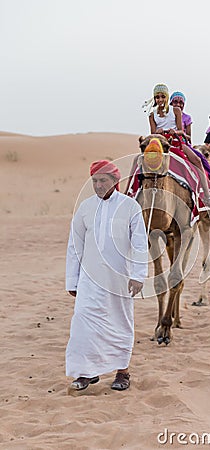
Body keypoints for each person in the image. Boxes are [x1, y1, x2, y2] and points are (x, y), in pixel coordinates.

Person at [65, 160, 148, 392]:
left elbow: (140, 244)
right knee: (83, 321)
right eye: (94, 181)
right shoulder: (85, 207)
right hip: (89, 278)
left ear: (115, 181)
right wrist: (72, 280)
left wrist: (139, 275)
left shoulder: (130, 207)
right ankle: (85, 373)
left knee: (119, 323)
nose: (98, 185)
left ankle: (122, 371)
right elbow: (75, 245)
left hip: (119, 278)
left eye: (103, 180)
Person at [143, 84, 210, 207]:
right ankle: (133, 192)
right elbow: (152, 134)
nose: (160, 100)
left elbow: (182, 131)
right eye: (157, 97)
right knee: (140, 162)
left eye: (162, 97)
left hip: (177, 142)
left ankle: (207, 195)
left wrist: (174, 131)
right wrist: (158, 132)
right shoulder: (152, 115)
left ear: (167, 98)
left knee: (197, 160)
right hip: (161, 144)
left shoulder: (176, 111)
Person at [170, 91, 210, 192]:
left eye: (181, 103)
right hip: (166, 143)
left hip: (181, 143)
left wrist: (179, 134)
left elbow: (188, 136)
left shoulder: (187, 118)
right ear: (171, 103)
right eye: (175, 102)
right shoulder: (166, 115)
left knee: (199, 160)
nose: (178, 104)